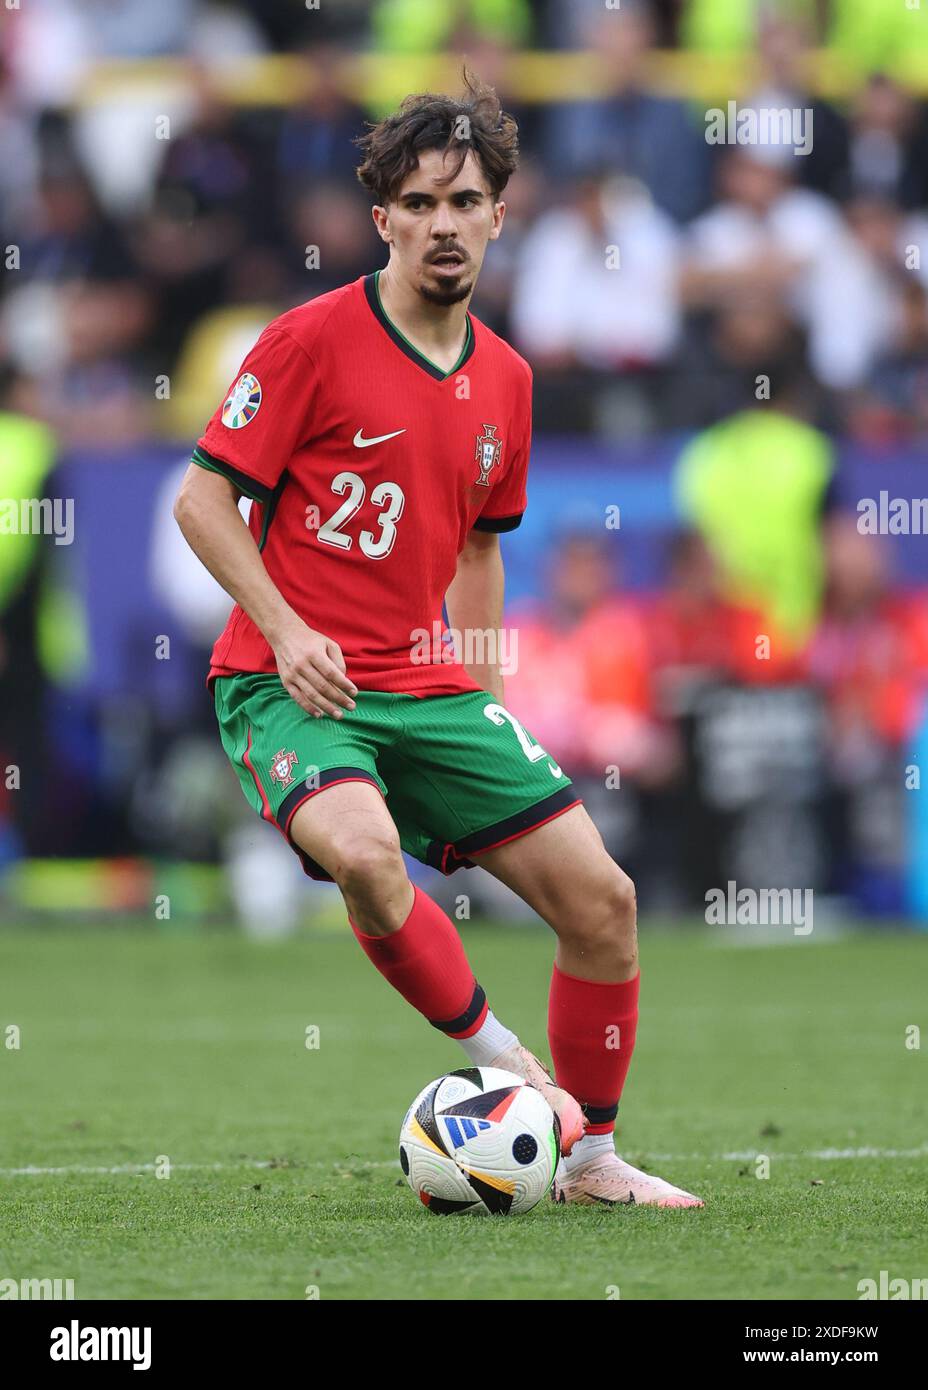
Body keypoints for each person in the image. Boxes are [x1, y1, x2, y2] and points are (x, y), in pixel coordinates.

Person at [173, 73, 702, 1208]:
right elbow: (202, 503)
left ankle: (595, 1158)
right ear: (385, 220)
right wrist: (285, 625)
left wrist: (486, 687)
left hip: (427, 685)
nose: (444, 222)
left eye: (465, 200)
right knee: (364, 857)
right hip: (285, 680)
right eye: (419, 203)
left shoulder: (506, 379)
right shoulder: (309, 339)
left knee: (602, 900)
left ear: (498, 216)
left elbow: (476, 549)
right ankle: (506, 1061)